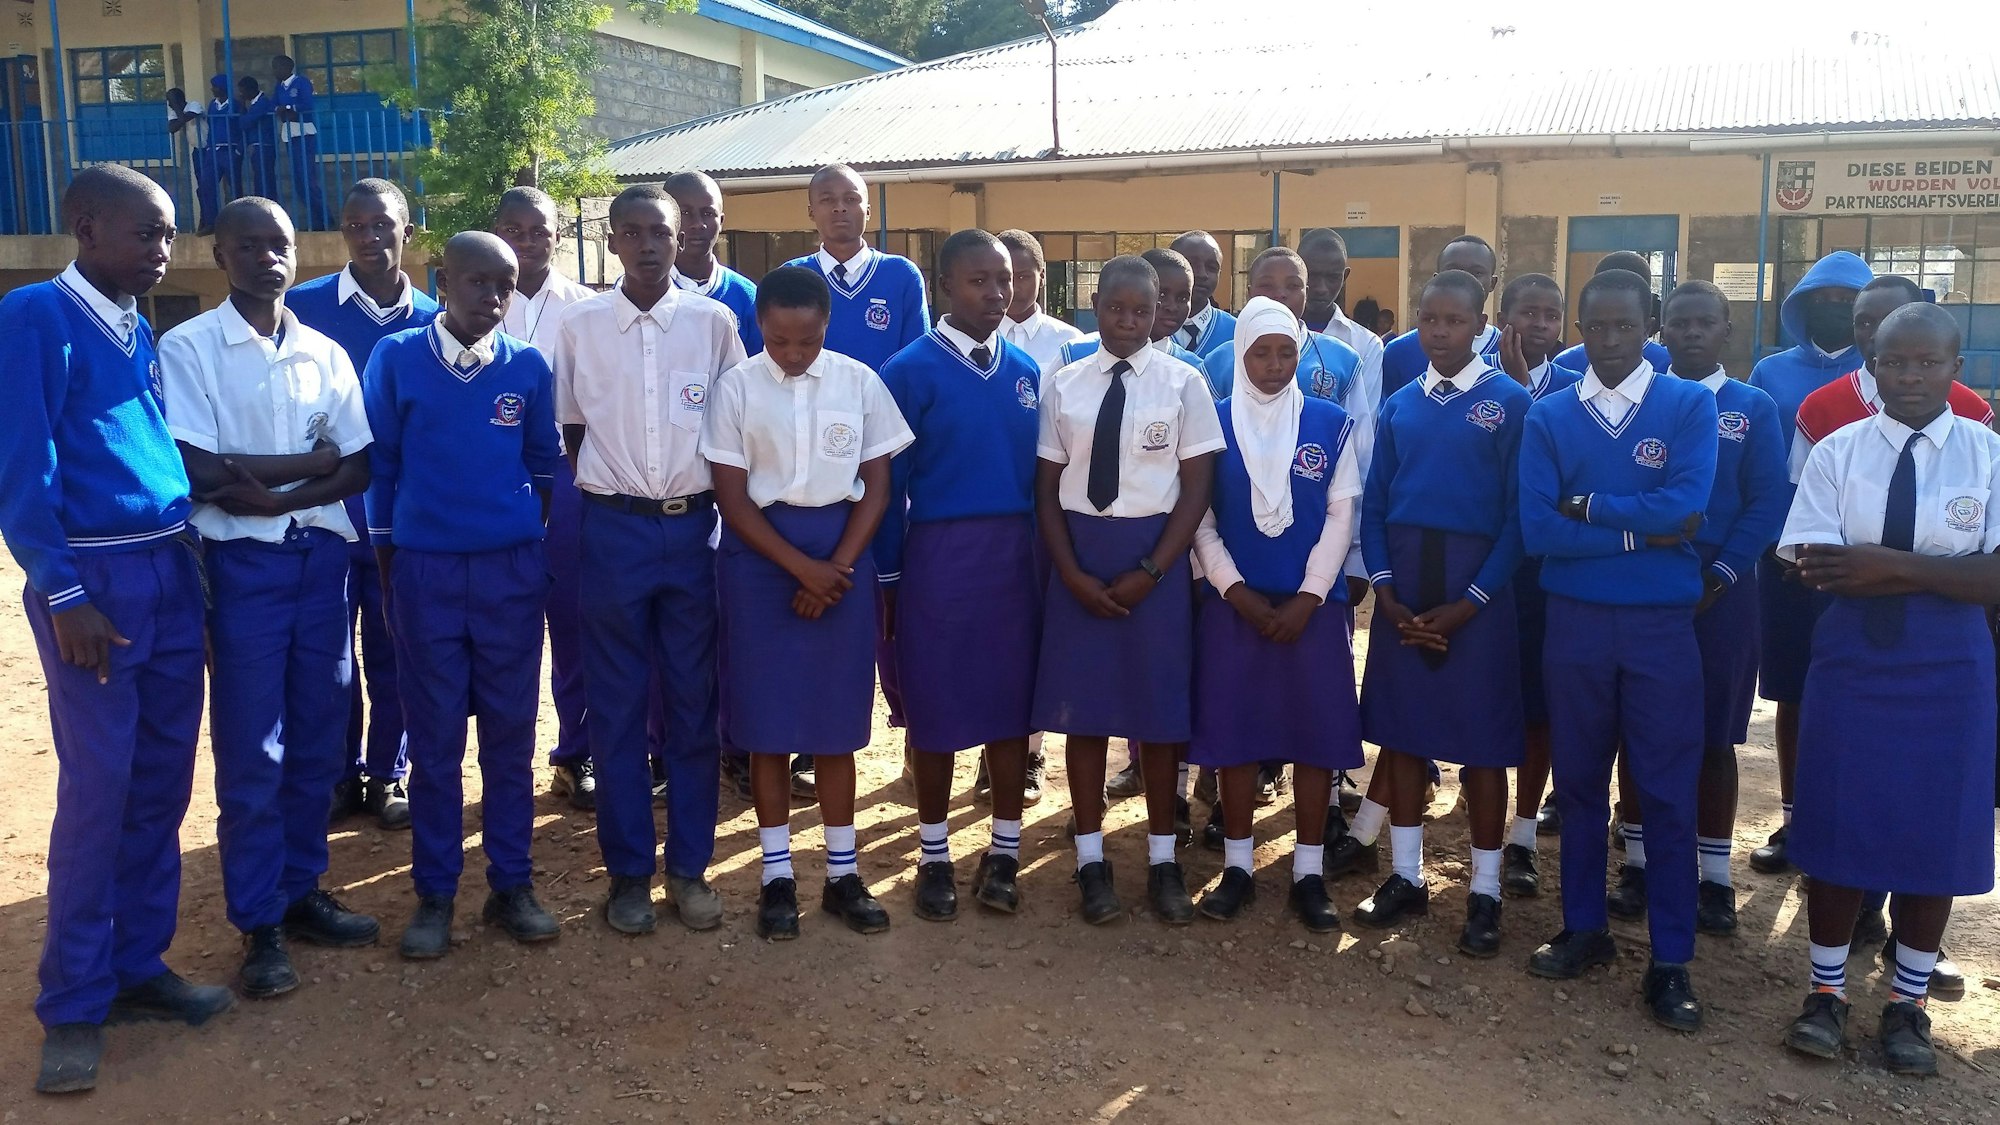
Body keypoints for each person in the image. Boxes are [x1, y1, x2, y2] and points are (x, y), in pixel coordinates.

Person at [0, 166, 233, 1094]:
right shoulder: (34, 318)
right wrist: (62, 593)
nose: (162, 251)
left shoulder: (137, 325)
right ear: (87, 226)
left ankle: (139, 964)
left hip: (172, 569)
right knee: (99, 792)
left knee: (163, 783)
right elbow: (22, 472)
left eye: (169, 235)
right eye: (146, 234)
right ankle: (74, 1002)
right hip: (99, 585)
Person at [157, 196, 379, 999]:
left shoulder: (325, 351)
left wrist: (277, 488)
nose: (265, 257)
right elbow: (201, 471)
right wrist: (308, 467)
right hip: (241, 567)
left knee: (319, 735)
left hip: (319, 561)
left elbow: (357, 465)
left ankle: (301, 887)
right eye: (247, 245)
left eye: (278, 244)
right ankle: (259, 922)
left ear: (296, 253)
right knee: (255, 746)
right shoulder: (189, 349)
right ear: (219, 254)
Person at [1777, 302, 2000, 1077]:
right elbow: (1814, 563)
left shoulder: (1987, 455)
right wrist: (1949, 572)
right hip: (1853, 659)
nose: (1909, 375)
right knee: (1840, 824)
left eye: (1926, 362)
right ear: (1872, 363)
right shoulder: (1839, 452)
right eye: (1895, 361)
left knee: (1933, 833)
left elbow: (1997, 578)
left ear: (1955, 370)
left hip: (1952, 667)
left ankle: (1908, 1005)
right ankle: (1827, 991)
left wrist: (1887, 566)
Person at [1518, 268, 1718, 1032]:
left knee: (1666, 791)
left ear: (1650, 326)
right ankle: (1584, 928)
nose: (1608, 341)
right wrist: (1643, 530)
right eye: (1594, 327)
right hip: (1574, 625)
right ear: (1579, 327)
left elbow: (1689, 507)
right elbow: (1541, 534)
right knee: (1576, 784)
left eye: (1624, 327)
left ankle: (1672, 959)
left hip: (1661, 629)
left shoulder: (1688, 404)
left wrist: (1594, 510)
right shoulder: (1550, 417)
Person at [363, 232, 564, 959]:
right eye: (476, 282)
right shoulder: (396, 360)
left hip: (510, 573)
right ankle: (436, 890)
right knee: (438, 737)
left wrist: (517, 534)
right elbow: (381, 466)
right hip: (426, 572)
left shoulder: (529, 366)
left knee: (510, 736)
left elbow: (544, 463)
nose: (492, 298)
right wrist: (392, 561)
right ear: (441, 279)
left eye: (505, 285)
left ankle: (511, 883)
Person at [554, 184, 744, 936]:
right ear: (612, 241)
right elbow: (572, 428)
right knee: (619, 706)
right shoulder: (581, 327)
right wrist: (617, 496)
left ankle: (689, 868)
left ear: (682, 236)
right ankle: (629, 871)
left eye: (660, 229)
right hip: (613, 533)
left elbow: (735, 427)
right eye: (631, 232)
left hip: (694, 532)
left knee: (694, 704)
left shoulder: (714, 323)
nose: (648, 243)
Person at [702, 265, 913, 940]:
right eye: (779, 340)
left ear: (827, 327)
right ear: (759, 327)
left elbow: (877, 487)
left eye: (807, 340)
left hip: (842, 556)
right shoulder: (735, 388)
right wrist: (803, 568)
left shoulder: (859, 382)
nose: (793, 354)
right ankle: (776, 875)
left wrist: (839, 566)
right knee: (766, 727)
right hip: (762, 560)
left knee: (835, 724)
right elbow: (732, 499)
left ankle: (844, 874)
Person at [1032, 254, 1225, 926]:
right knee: (1084, 716)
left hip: (1155, 563)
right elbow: (1048, 490)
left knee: (1160, 715)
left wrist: (1153, 570)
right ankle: (1091, 859)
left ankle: (1165, 858)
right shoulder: (1065, 383)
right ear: (1095, 305)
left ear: (1157, 313)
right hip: (1082, 557)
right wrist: (1073, 573)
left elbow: (1197, 487)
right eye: (1115, 307)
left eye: (1141, 310)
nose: (1127, 320)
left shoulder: (1184, 382)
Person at [1353, 270, 1529, 958]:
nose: (1440, 333)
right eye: (1429, 320)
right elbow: (1373, 504)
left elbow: (1518, 518)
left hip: (1475, 594)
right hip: (1406, 588)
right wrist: (1388, 592)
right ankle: (1405, 874)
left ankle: (1484, 890)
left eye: (1456, 321)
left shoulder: (1511, 404)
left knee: (1483, 748)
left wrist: (1469, 603)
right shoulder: (1399, 405)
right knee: (1402, 736)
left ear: (1481, 325)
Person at [1603, 281, 1787, 937]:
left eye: (1704, 322)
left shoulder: (1752, 408)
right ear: (1660, 329)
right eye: (1678, 323)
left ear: (1727, 329)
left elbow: (1767, 502)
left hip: (1722, 592)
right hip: (1647, 583)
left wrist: (1723, 573)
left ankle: (1712, 877)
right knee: (1636, 728)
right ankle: (1639, 862)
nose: (1690, 333)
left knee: (1712, 737)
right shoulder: (1639, 404)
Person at [875, 229, 1044, 918]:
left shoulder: (1029, 371)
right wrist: (888, 579)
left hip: (1016, 558)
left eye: (1004, 279)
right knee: (937, 714)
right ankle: (936, 855)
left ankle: (1004, 852)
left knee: (1011, 712)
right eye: (979, 280)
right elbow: (885, 487)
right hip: (939, 560)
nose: (996, 293)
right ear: (946, 285)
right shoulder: (909, 370)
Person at [1188, 296, 1361, 933]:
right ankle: (1237, 866)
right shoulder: (1213, 422)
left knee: (1315, 741)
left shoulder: (1330, 421)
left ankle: (1308, 871)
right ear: (1240, 355)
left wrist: (1311, 594)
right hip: (1235, 610)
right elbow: (1200, 519)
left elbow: (1343, 514)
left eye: (1286, 351)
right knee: (1233, 739)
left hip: (1312, 612)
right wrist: (1236, 593)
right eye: (1260, 351)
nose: (1274, 364)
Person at [289, 178, 438, 831]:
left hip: (402, 523)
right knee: (326, 657)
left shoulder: (436, 318)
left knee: (394, 649)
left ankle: (388, 773)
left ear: (408, 231)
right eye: (357, 226)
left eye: (383, 225)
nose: (371, 237)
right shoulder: (301, 307)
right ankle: (336, 774)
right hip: (323, 516)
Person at [782, 163, 929, 799]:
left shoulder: (899, 277)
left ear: (869, 210)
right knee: (822, 604)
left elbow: (914, 369)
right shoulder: (792, 280)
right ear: (811, 211)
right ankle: (817, 742)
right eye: (828, 201)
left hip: (883, 469)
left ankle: (917, 737)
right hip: (812, 476)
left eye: (852, 200)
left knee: (894, 607)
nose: (840, 210)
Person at [1744, 250, 1873, 876]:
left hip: (1869, 567)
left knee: (1858, 698)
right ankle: (1793, 822)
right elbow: (1767, 469)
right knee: (1793, 694)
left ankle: (1849, 823)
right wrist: (1779, 545)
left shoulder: (1887, 373)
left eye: (1850, 305)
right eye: (1822, 302)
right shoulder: (1772, 372)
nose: (1837, 314)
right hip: (1790, 561)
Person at [493, 185, 601, 811]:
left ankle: (575, 752)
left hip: (567, 475)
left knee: (574, 621)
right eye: (515, 229)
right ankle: (504, 764)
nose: (528, 241)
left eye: (539, 230)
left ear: (558, 235)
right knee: (506, 627)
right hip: (493, 478)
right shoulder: (472, 303)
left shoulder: (588, 307)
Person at [1488, 272, 1582, 896]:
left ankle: (1523, 832)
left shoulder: (1577, 394)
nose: (1542, 324)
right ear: (1504, 318)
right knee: (1491, 698)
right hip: (1491, 569)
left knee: (1540, 707)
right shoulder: (1476, 385)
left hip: (1549, 574)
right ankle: (1485, 831)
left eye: (1552, 314)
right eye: (1529, 312)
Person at [1379, 236, 1500, 399]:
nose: (1463, 280)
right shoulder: (1398, 352)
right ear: (1436, 279)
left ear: (1492, 283)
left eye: (1477, 273)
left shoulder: (1509, 349)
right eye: (1453, 271)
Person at [667, 171, 762, 356]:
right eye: (685, 213)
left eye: (708, 213)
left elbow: (756, 368)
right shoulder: (639, 289)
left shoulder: (746, 295)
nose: (698, 224)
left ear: (722, 221)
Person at [1299, 228, 1387, 404]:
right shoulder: (1272, 333)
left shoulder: (1366, 345)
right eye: (1312, 276)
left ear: (1345, 276)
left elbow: (1363, 422)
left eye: (1332, 278)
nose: (1321, 288)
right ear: (1298, 271)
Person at [1552, 252, 1673, 375]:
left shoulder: (1669, 364)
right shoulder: (1566, 364)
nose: (1611, 342)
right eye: (1596, 327)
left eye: (1625, 326)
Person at [998, 228, 1084, 370]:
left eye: (1022, 277)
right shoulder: (976, 340)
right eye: (1005, 278)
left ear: (1042, 276)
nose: (1014, 288)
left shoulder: (1070, 341)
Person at [271, 55, 329, 231]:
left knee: (307, 179)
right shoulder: (279, 87)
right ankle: (317, 220)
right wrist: (281, 110)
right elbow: (273, 105)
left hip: (304, 132)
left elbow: (307, 104)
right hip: (290, 133)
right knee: (299, 182)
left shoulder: (301, 82)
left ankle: (325, 219)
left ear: (287, 67)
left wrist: (288, 109)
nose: (274, 71)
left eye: (276, 67)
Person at [1169, 230, 1236, 356]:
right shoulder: (1150, 330)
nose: (1202, 274)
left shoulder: (1236, 331)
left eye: (1212, 268)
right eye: (1191, 265)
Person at [164, 87, 218, 235]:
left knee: (208, 186)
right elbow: (172, 128)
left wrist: (177, 109)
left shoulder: (194, 105)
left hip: (209, 149)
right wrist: (176, 111)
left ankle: (212, 220)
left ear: (178, 100)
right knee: (201, 187)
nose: (169, 104)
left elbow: (184, 119)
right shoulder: (175, 111)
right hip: (197, 150)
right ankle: (205, 218)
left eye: (170, 101)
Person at [203, 75, 242, 222]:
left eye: (215, 86)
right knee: (207, 185)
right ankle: (211, 220)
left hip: (230, 150)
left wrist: (238, 149)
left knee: (234, 186)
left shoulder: (235, 104)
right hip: (213, 150)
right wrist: (208, 147)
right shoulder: (213, 104)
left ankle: (239, 220)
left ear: (223, 87)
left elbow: (240, 127)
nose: (212, 89)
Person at [235, 76, 279, 200]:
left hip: (264, 146)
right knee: (260, 179)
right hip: (258, 146)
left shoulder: (262, 103)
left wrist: (242, 107)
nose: (241, 95)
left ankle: (268, 210)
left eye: (242, 91)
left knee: (264, 181)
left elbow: (244, 123)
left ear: (250, 90)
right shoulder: (255, 104)